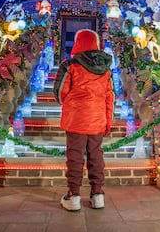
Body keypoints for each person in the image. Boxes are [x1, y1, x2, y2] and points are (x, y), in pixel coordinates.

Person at [53, 29, 114, 211]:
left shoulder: (70, 65)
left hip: (76, 118)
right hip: (97, 118)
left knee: (75, 156)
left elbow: (59, 93)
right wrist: (107, 121)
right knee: (96, 155)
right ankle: (97, 194)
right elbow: (109, 97)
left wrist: (71, 103)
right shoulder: (105, 68)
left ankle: (73, 196)